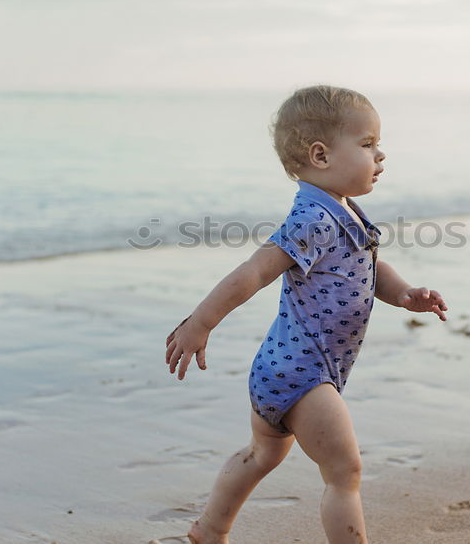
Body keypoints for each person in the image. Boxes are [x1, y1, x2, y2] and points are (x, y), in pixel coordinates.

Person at [164, 84, 449, 544]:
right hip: (304, 373)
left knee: (262, 455)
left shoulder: (342, 211)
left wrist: (405, 294)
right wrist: (201, 322)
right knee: (344, 471)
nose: (380, 155)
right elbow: (254, 272)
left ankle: (209, 530)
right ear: (320, 155)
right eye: (367, 144)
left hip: (281, 369)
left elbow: (369, 267)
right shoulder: (312, 219)